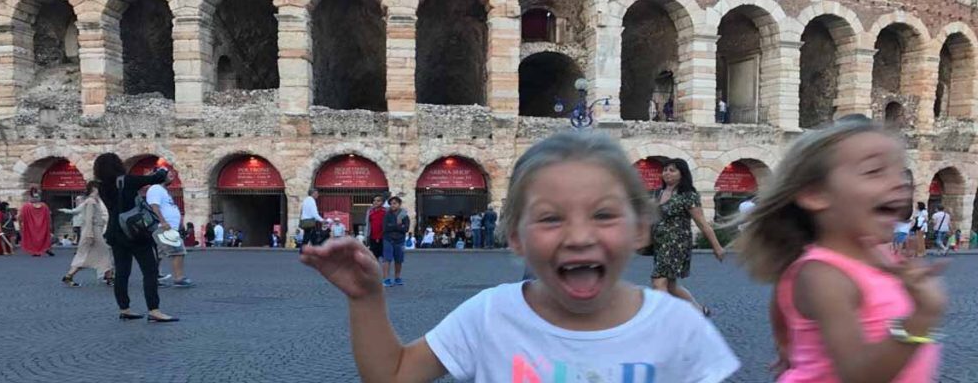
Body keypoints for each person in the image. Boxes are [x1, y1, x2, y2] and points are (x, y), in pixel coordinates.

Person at [300, 131, 740, 382]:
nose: (579, 236)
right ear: (516, 237)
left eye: (604, 214)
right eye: (551, 219)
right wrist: (365, 299)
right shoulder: (489, 315)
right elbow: (393, 374)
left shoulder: (680, 329)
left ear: (641, 228)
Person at [733, 119, 943, 382]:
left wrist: (789, 345)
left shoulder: (880, 256)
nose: (901, 182)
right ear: (815, 195)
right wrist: (922, 316)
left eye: (901, 171)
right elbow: (859, 376)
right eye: (875, 170)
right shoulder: (824, 275)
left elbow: (781, 301)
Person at [93, 153, 178, 322]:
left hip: (115, 232)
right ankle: (154, 309)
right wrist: (161, 170)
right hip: (135, 231)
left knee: (122, 272)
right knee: (150, 271)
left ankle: (125, 308)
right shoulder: (127, 181)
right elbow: (156, 178)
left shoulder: (101, 186)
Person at [651, 158, 725, 316]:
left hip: (676, 244)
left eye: (672, 170)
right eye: (665, 170)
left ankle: (663, 321)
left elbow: (702, 223)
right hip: (660, 243)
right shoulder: (659, 193)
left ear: (682, 174)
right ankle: (699, 311)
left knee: (659, 282)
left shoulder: (688, 195)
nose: (667, 173)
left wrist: (717, 247)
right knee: (670, 286)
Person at [61, 181, 114, 287]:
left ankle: (69, 276)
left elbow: (76, 211)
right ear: (95, 189)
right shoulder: (91, 201)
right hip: (93, 231)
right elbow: (89, 218)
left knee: (92, 254)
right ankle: (109, 277)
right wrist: (90, 232)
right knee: (104, 253)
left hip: (93, 230)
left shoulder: (91, 201)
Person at [147, 170, 193, 288]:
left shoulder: (162, 190)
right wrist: (163, 222)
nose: (172, 178)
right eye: (169, 176)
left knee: (158, 255)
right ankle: (179, 278)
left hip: (169, 226)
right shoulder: (156, 189)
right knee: (178, 251)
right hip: (165, 227)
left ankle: (154, 278)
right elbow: (154, 206)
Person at [381, 196, 410, 287]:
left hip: (400, 240)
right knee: (387, 259)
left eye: (395, 203)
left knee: (399, 260)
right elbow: (385, 228)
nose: (393, 205)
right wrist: (398, 225)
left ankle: (397, 278)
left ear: (399, 204)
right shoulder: (387, 214)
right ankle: (386, 279)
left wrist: (393, 226)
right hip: (388, 239)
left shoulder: (405, 216)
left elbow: (405, 229)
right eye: (391, 204)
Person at [364, 195, 386, 261]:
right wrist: (366, 237)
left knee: (385, 259)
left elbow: (403, 211)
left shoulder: (386, 211)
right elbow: (367, 225)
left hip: (383, 238)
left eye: (378, 201)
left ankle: (384, 271)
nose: (376, 202)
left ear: (383, 202)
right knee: (374, 258)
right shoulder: (370, 212)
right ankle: (375, 271)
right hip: (372, 238)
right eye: (374, 200)